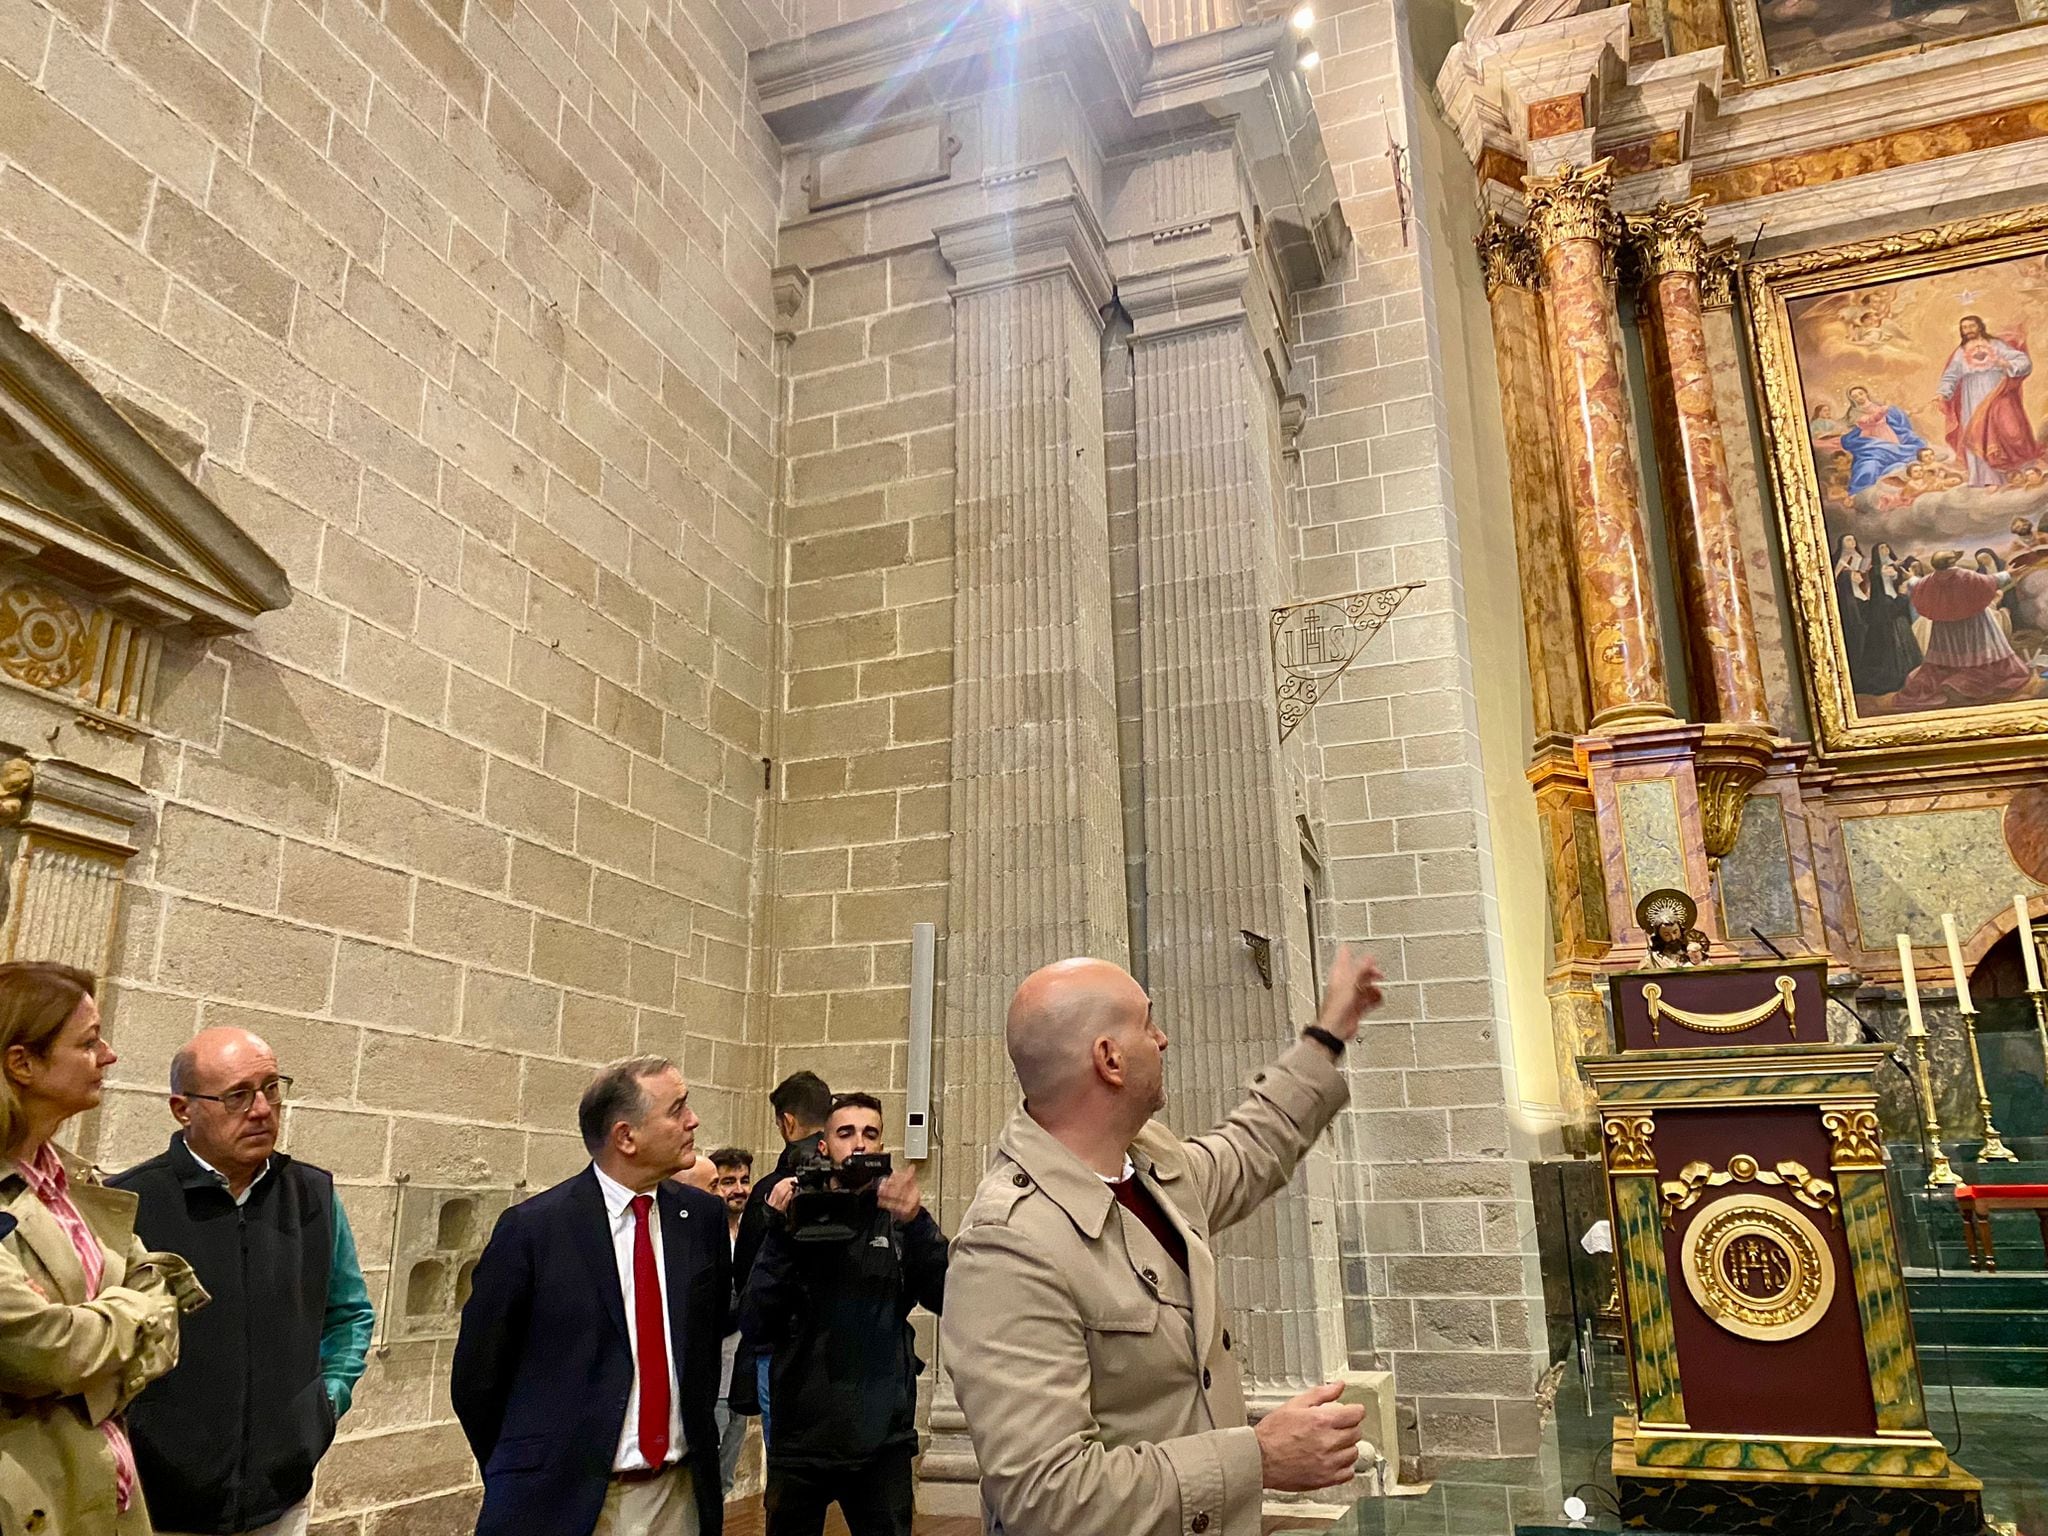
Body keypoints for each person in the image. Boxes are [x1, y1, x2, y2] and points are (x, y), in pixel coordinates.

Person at [943, 946, 1385, 1536]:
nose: (1164, 1037)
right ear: (1110, 1059)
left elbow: (1251, 1148)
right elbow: (1047, 1497)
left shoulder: (1152, 1164)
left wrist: (1327, 1033)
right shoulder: (1008, 1246)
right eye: (1147, 1022)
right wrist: (1257, 1458)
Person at [111, 1028, 374, 1536]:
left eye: (271, 1088)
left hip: (281, 1497)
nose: (261, 1109)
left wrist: (324, 1405)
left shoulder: (313, 1194)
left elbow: (349, 1313)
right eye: (238, 1095)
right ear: (182, 1108)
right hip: (160, 1504)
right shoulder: (131, 1203)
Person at [452, 1057, 729, 1536]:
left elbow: (703, 1349)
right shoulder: (534, 1230)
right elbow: (478, 1380)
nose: (693, 1120)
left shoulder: (702, 1219)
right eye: (677, 1109)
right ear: (626, 1137)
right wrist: (524, 1474)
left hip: (679, 1495)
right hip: (567, 1504)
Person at [0, 961, 205, 1536]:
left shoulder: (71, 1178)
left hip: (106, 1496)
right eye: (88, 1043)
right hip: (30, 1507)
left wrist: (97, 1340)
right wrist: (132, 1316)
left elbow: (159, 1295)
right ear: (24, 1063)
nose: (109, 1055)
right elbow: (46, 1352)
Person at [741, 1095, 946, 1536]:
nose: (858, 1144)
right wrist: (778, 1231)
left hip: (881, 1439)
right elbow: (757, 1322)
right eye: (845, 1133)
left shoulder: (895, 1219)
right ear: (823, 1146)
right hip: (801, 1438)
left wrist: (917, 1223)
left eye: (869, 1134)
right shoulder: (795, 1215)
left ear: (881, 1145)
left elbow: (948, 1295)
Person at [728, 1071, 831, 1442]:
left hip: (781, 1349)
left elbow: (747, 1276)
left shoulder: (773, 1191)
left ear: (787, 1122)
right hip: (844, 1349)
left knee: (789, 1473)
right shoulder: (854, 1186)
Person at [1894, 549, 2038, 710]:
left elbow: (1918, 583)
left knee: (1949, 657)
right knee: (1978, 650)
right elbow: (1990, 581)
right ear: (1952, 562)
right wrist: (2009, 573)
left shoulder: (1933, 579)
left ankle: (1955, 680)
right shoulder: (1964, 575)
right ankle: (1967, 683)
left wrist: (1910, 577)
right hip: (1973, 622)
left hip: (1945, 626)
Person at [1937, 314, 2038, 487]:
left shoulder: (1995, 344)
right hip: (1971, 394)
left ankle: (2008, 477)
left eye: (1971, 326)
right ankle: (1984, 479)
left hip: (1996, 389)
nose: (1968, 330)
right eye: (1964, 328)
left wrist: (2005, 363)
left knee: (2003, 430)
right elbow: (1951, 375)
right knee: (1975, 432)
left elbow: (2023, 361)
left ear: (1980, 327)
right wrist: (1943, 393)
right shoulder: (1961, 352)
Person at [705, 1148, 753, 1493]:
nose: (738, 1189)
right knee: (708, 1460)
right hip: (714, 1369)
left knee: (726, 1471)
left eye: (744, 1180)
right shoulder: (705, 1237)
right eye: (728, 1182)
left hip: (742, 1368)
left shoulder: (751, 1234)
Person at [1839, 385, 1927, 495]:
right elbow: (1868, 421)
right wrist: (1881, 412)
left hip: (1885, 433)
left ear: (1866, 393)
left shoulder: (1878, 406)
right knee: (1870, 462)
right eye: (1855, 396)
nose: (1859, 397)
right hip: (1869, 437)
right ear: (1852, 400)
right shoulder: (1855, 413)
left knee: (1893, 449)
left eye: (1860, 394)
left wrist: (1908, 412)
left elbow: (1896, 416)